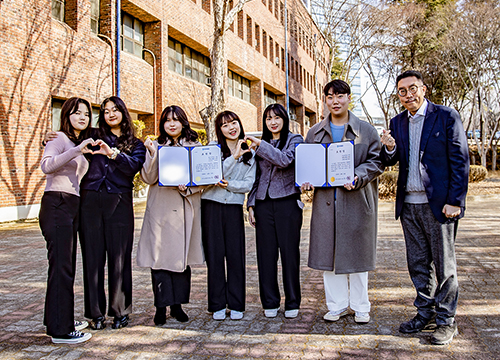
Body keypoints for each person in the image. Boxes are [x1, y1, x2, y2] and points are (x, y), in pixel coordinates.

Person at [380, 70, 469, 345]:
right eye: (402, 91)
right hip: (409, 205)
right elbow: (390, 161)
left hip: (440, 206)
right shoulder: (397, 122)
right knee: (418, 264)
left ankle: (446, 321)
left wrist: (455, 201)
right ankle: (425, 313)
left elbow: (460, 161)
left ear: (424, 89)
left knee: (444, 266)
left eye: (413, 88)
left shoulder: (445, 116)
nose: (408, 95)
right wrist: (390, 147)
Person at [301, 79, 383, 325]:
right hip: (326, 203)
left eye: (340, 96)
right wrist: (306, 180)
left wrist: (358, 175)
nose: (334, 101)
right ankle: (336, 306)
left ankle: (360, 306)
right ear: (325, 100)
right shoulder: (314, 132)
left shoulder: (366, 131)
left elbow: (377, 162)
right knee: (330, 256)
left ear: (349, 98)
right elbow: (308, 163)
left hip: (356, 201)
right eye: (329, 96)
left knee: (357, 257)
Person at [79, 96, 146, 330]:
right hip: (90, 200)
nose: (110, 115)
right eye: (106, 111)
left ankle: (120, 311)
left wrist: (113, 153)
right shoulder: (93, 135)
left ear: (123, 113)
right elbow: (69, 138)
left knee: (119, 259)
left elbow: (132, 168)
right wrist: (52, 136)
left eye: (115, 110)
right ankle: (95, 313)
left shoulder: (136, 144)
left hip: (119, 202)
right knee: (92, 258)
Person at [137, 105, 204, 325]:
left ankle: (177, 306)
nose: (172, 124)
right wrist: (153, 154)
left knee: (181, 260)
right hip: (160, 209)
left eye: (176, 119)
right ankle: (160, 307)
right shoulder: (155, 145)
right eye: (167, 120)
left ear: (183, 122)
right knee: (159, 260)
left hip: (184, 208)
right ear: (162, 124)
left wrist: (189, 189)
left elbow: (203, 179)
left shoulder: (195, 147)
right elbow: (147, 177)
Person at [39, 97, 94, 344]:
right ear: (66, 114)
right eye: (77, 112)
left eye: (86, 113)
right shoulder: (59, 139)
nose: (82, 117)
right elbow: (46, 165)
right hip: (56, 203)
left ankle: (57, 321)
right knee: (62, 267)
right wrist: (74, 150)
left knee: (63, 266)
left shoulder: (74, 141)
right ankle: (62, 331)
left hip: (71, 205)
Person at [246, 103, 304, 319]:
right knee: (265, 256)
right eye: (268, 118)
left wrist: (260, 145)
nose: (273, 122)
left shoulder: (295, 140)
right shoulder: (260, 143)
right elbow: (256, 176)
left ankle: (292, 302)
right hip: (263, 204)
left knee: (290, 255)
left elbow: (284, 160)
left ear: (284, 119)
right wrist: (251, 204)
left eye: (277, 117)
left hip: (287, 203)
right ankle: (269, 301)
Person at [201, 111, 256, 321]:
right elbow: (212, 174)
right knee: (215, 256)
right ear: (219, 130)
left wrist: (229, 185)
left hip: (233, 208)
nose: (231, 127)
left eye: (234, 122)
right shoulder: (213, 150)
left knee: (235, 256)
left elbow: (248, 184)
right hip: (211, 206)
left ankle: (236, 304)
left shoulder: (250, 152)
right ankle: (216, 303)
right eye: (225, 125)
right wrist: (233, 158)